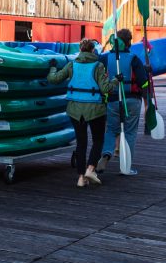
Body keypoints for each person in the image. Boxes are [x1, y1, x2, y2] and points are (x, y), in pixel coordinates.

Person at [47, 39, 119, 188]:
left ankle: (81, 178)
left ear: (80, 50)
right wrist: (116, 80)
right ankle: (90, 169)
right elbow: (106, 89)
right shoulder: (98, 66)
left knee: (81, 143)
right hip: (95, 110)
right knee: (98, 140)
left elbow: (54, 79)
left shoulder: (71, 65)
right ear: (93, 50)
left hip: (75, 110)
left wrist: (52, 67)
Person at [98, 28, 150, 176]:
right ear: (129, 43)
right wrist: (147, 102)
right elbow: (143, 83)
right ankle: (126, 167)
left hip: (113, 100)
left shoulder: (105, 58)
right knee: (130, 133)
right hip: (132, 100)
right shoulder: (134, 59)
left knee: (111, 130)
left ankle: (106, 154)